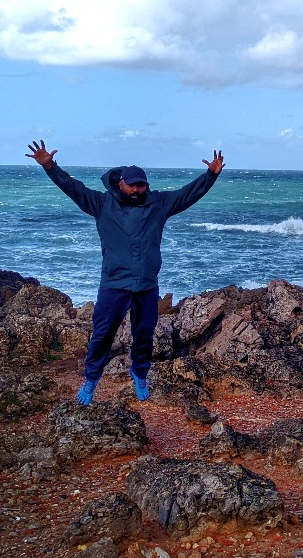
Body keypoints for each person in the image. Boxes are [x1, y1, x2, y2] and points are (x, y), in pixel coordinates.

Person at [25, 139, 224, 405]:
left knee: (144, 335)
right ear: (120, 182)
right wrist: (50, 166)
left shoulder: (159, 204)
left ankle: (139, 373)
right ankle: (91, 379)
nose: (137, 189)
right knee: (102, 335)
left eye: (141, 184)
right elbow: (72, 187)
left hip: (146, 284)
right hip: (113, 283)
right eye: (132, 184)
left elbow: (187, 194)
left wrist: (210, 175)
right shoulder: (101, 204)